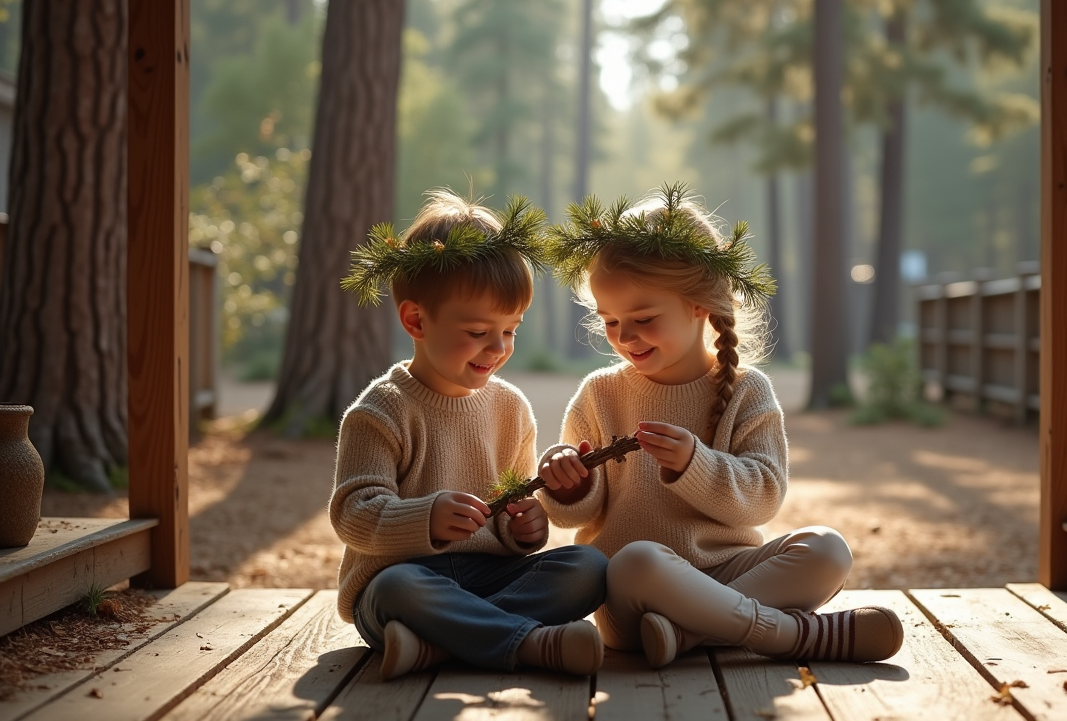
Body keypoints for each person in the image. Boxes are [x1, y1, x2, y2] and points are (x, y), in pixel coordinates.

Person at [537, 184, 903, 668]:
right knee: (636, 559)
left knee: (828, 548)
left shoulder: (747, 391)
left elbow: (764, 497)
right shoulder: (600, 394)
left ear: (698, 305)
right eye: (610, 321)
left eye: (643, 318)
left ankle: (688, 633)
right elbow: (570, 518)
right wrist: (566, 484)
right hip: (637, 596)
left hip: (729, 576)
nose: (624, 337)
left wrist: (696, 463)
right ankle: (786, 635)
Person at [330, 190, 609, 680]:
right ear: (417, 320)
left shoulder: (510, 409)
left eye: (511, 330)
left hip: (491, 580)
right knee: (399, 590)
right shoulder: (380, 410)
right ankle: (529, 645)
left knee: (588, 566)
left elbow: (513, 505)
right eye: (479, 331)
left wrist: (527, 530)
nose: (498, 347)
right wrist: (426, 519)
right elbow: (353, 515)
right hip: (407, 582)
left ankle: (442, 643)